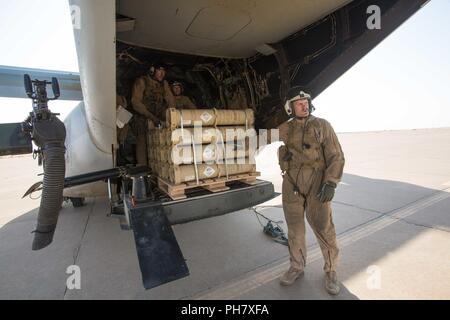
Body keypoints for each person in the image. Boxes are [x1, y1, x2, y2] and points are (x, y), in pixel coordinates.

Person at [277, 87, 345, 295]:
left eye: (306, 101)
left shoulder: (322, 125)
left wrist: (331, 182)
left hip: (317, 181)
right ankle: (297, 266)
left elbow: (336, 155)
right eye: (299, 103)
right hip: (292, 183)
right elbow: (260, 138)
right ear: (290, 107)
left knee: (324, 228)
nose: (304, 105)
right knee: (295, 229)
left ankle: (331, 270)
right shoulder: (285, 129)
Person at [131, 63, 175, 165]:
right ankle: (142, 169)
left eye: (164, 71)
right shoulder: (142, 81)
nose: (162, 73)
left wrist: (171, 116)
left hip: (158, 118)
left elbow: (170, 101)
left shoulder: (164, 84)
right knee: (142, 141)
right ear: (152, 70)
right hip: (143, 117)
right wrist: (152, 118)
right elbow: (135, 103)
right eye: (159, 70)